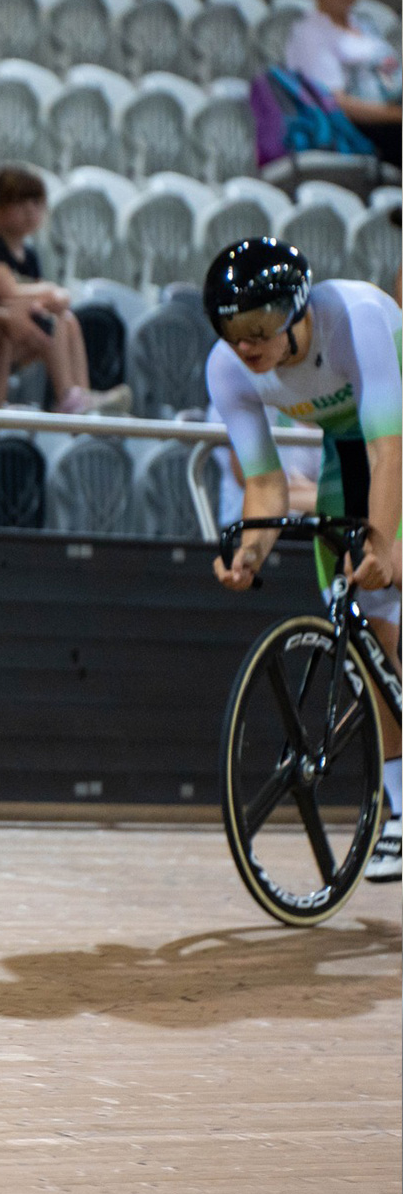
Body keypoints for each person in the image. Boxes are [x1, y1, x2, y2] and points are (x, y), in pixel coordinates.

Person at [204, 237, 401, 881]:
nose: (247, 345)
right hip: (351, 450)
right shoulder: (227, 369)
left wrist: (384, 544)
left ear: (297, 310)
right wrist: (249, 554)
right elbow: (264, 487)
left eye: (259, 327)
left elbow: (389, 450)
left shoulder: (355, 319)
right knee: (363, 624)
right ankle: (400, 813)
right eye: (232, 331)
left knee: (389, 566)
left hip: (389, 439)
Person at [0, 167, 131, 414]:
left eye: (36, 203)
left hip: (11, 332)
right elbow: (9, 293)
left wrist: (52, 299)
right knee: (52, 322)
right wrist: (52, 291)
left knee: (67, 320)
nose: (29, 210)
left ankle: (81, 395)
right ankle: (67, 396)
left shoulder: (31, 255)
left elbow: (33, 301)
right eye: (19, 202)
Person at [285, 0, 401, 167]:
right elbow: (336, 104)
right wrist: (397, 115)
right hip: (358, 130)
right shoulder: (311, 32)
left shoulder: (366, 27)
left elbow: (391, 75)